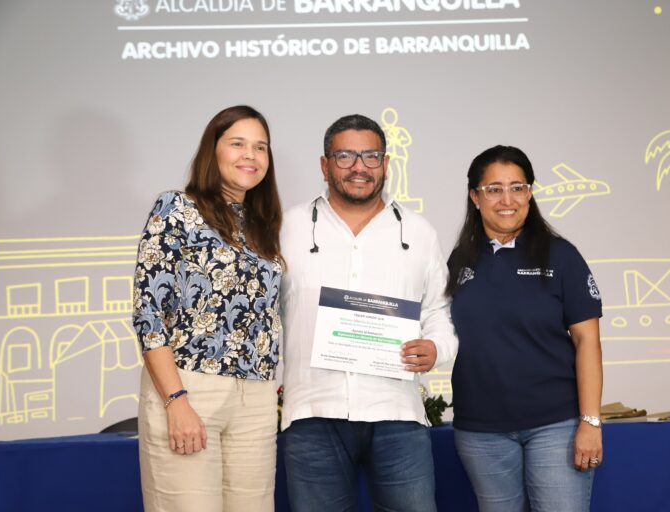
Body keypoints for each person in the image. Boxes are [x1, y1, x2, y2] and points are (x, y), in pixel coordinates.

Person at [279, 114, 458, 512]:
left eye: (371, 156)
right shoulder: (286, 228)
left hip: (396, 412)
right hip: (313, 413)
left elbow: (439, 311)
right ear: (324, 165)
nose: (359, 167)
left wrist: (435, 348)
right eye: (345, 156)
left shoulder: (417, 231)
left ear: (386, 163)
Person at [132, 105, 283, 512]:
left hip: (256, 397)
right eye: (238, 144)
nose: (250, 155)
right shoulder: (176, 209)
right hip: (190, 388)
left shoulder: (262, 225)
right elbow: (148, 314)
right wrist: (176, 401)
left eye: (260, 147)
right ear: (211, 150)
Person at [447, 145, 603, 512]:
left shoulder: (561, 256)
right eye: (494, 189)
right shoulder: (459, 261)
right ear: (475, 196)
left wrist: (590, 422)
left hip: (556, 426)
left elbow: (588, 343)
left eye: (517, 187)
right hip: (480, 431)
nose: (507, 199)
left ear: (530, 193)